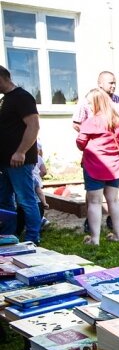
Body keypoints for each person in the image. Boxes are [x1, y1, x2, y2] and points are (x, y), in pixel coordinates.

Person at [74, 71, 119, 234]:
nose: (113, 86)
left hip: (103, 159)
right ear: (100, 83)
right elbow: (77, 122)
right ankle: (114, 233)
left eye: (114, 83)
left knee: (98, 200)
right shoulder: (91, 104)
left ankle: (96, 237)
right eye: (110, 83)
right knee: (103, 198)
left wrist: (94, 136)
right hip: (104, 158)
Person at [0, 65, 42, 245]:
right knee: (4, 201)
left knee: (25, 200)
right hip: (4, 162)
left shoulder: (22, 97)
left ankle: (33, 238)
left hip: (19, 161)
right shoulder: (5, 100)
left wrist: (21, 152)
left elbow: (34, 126)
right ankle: (8, 237)